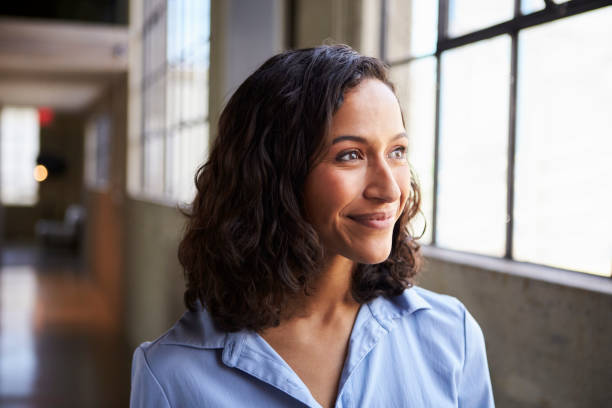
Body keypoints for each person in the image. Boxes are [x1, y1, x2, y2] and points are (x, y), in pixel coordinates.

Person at [130, 45, 495, 408]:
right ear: (275, 174)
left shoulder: (452, 337)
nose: (389, 190)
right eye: (350, 155)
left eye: (396, 151)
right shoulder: (171, 375)